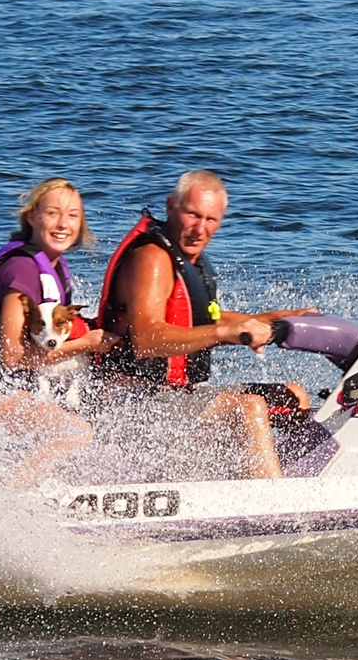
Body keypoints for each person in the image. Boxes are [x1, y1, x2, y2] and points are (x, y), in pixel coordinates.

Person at [95, 169, 311, 478]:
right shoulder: (152, 258)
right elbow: (146, 339)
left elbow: (207, 319)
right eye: (192, 215)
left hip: (176, 400)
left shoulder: (189, 259)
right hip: (130, 407)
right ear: (171, 207)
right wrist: (222, 333)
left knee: (293, 397)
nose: (200, 229)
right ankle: (278, 507)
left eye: (211, 220)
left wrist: (279, 319)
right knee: (248, 410)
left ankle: (279, 478)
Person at [0, 178, 119, 489]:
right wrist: (84, 344)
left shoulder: (53, 266)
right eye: (52, 213)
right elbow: (12, 356)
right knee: (74, 433)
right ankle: (3, 503)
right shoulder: (23, 270)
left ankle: (42, 485)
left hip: (12, 389)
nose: (63, 224)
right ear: (32, 218)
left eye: (72, 215)